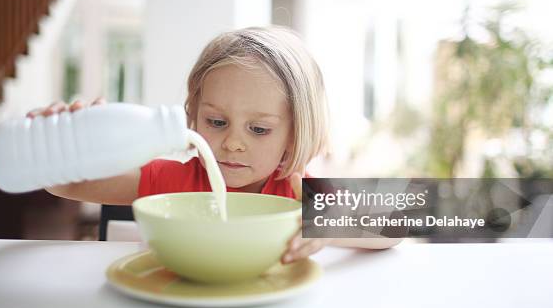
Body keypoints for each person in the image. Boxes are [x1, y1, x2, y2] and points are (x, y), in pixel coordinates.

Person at [29, 26, 400, 264]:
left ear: (295, 133)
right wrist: (64, 141)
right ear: (194, 116)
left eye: (258, 129)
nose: (232, 143)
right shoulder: (170, 183)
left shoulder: (294, 192)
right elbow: (61, 184)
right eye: (217, 122)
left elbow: (399, 223)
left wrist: (325, 225)